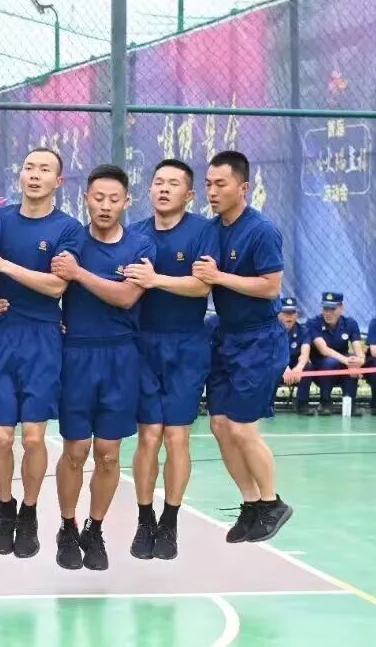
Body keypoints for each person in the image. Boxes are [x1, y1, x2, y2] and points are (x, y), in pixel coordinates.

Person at [0, 148, 83, 558]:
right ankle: (6, 508)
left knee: (33, 438)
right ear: (20, 175)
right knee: (1, 437)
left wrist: (4, 266)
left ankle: (29, 512)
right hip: (2, 334)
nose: (35, 175)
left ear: (58, 181)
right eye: (29, 167)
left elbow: (56, 286)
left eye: (44, 169)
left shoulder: (68, 229)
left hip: (43, 337)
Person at [50, 164, 155, 571]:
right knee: (75, 450)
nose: (105, 205)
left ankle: (94, 529)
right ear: (86, 199)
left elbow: (127, 297)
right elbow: (49, 283)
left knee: (109, 455)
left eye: (114, 199)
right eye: (98, 198)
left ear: (127, 201)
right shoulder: (72, 240)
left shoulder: (140, 247)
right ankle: (67, 526)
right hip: (76, 354)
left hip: (121, 357)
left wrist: (79, 275)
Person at [194, 149, 292, 544]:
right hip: (226, 335)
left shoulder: (261, 230)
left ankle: (272, 502)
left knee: (241, 427)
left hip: (258, 338)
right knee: (219, 425)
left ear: (243, 187)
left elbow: (271, 286)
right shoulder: (210, 229)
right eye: (208, 184)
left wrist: (219, 277)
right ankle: (251, 503)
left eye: (221, 184)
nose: (213, 192)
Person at [123, 159, 218, 561]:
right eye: (158, 182)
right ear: (149, 190)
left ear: (189, 194)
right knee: (148, 435)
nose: (163, 189)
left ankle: (170, 521)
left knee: (177, 436)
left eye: (173, 184)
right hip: (143, 345)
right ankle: (145, 519)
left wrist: (156, 280)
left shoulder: (202, 231)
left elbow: (202, 285)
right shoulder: (135, 234)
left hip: (186, 344)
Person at [303, 292, 365, 416]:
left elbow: (359, 351)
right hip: (321, 367)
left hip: (342, 365)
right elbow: (324, 350)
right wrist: (346, 361)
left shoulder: (350, 323)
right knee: (330, 361)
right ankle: (325, 403)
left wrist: (358, 362)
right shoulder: (313, 323)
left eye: (333, 309)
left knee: (352, 361)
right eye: (325, 309)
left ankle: (350, 404)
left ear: (342, 308)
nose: (328, 313)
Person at [276, 298, 314, 415]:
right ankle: (267, 404)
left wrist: (299, 367)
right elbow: (272, 354)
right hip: (277, 367)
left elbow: (305, 352)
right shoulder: (271, 331)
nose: (289, 316)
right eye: (285, 313)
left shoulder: (303, 331)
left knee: (308, 366)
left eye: (292, 313)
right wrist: (284, 368)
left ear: (297, 314)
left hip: (294, 369)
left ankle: (302, 404)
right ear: (279, 314)